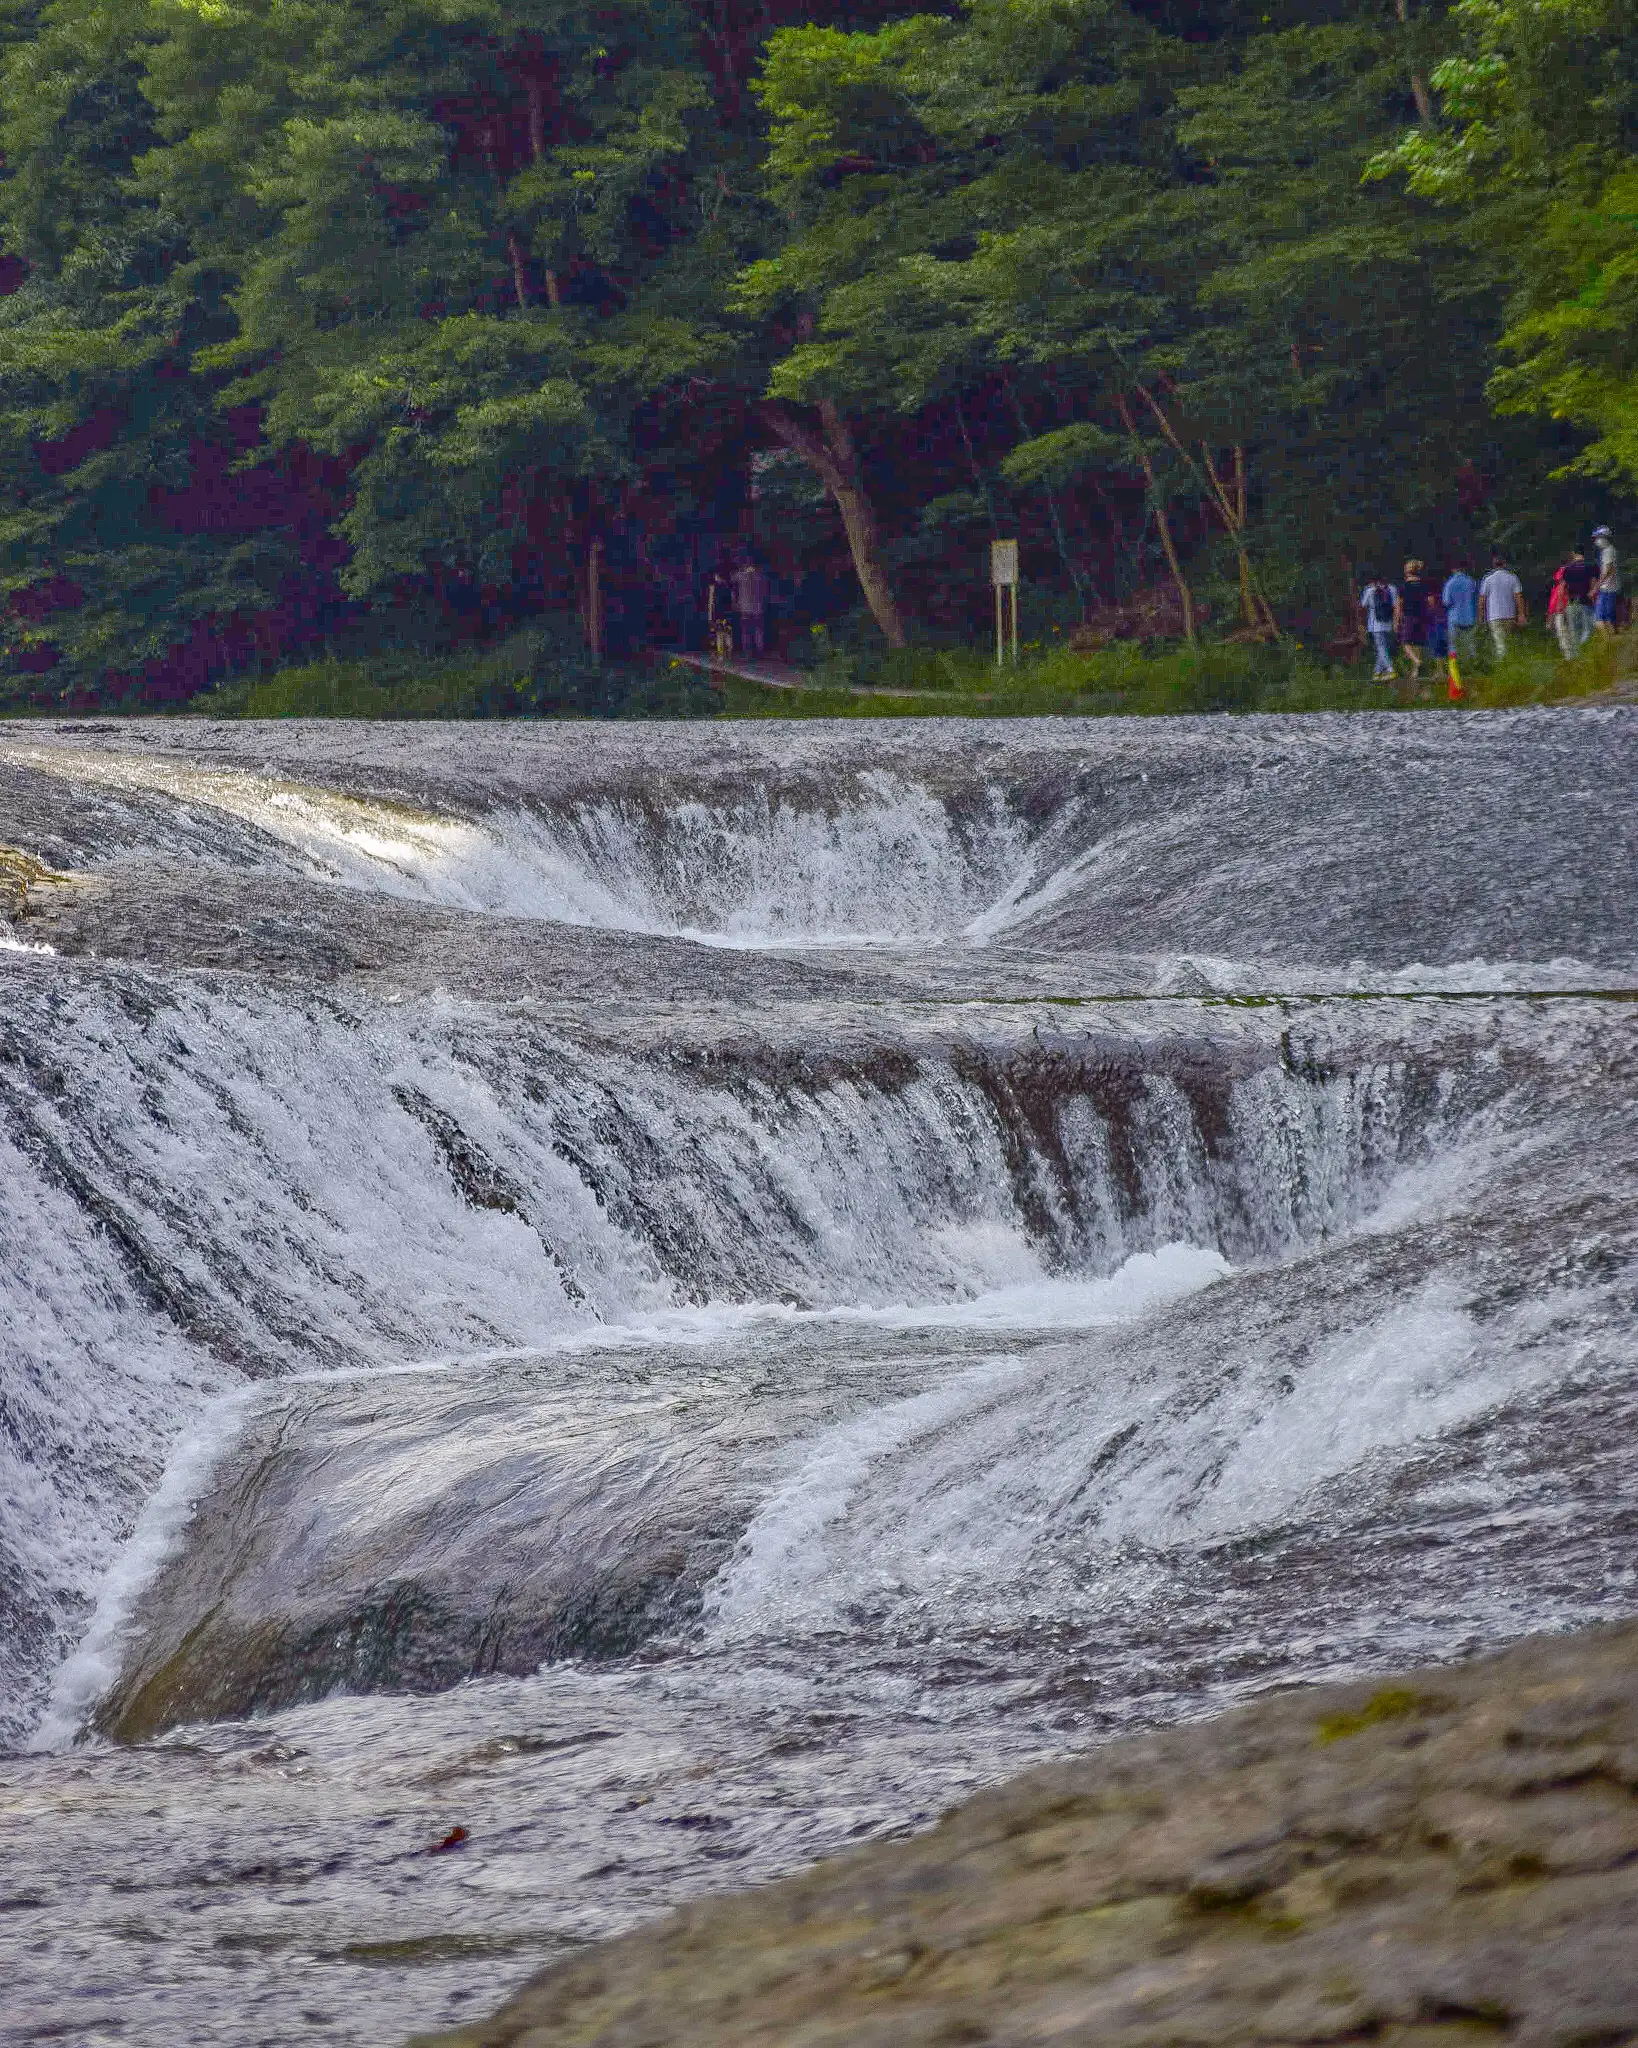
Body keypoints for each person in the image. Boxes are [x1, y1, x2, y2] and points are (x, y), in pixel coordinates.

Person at [1479, 550, 1526, 658]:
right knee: (1508, 640)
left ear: (1493, 565)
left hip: (1494, 616)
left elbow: (1482, 600)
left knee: (1499, 642)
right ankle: (1510, 661)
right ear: (1504, 564)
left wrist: (1481, 617)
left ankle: (1502, 663)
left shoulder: (1488, 579)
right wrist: (1521, 614)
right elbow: (1518, 597)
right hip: (1509, 615)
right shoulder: (1512, 578)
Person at [1395, 558, 1433, 685]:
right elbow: (1431, 601)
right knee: (1417, 644)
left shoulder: (1403, 586)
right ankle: (1415, 671)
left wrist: (1397, 620)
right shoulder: (1424, 585)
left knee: (1405, 642)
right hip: (1422, 616)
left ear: (1407, 571)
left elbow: (1399, 605)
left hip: (1409, 616)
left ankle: (1417, 662)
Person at [1553, 545, 1595, 659]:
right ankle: (1585, 651)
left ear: (1573, 553)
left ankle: (1578, 658)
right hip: (1586, 603)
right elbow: (1593, 584)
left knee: (1574, 632)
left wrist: (1560, 604)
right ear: (1584, 553)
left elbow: (1562, 587)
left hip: (1571, 604)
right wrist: (1593, 598)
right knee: (1588, 630)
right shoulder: (1590, 566)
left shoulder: (1567, 568)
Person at [1360, 573, 1397, 679]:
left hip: (1375, 624)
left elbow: (1363, 605)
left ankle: (1390, 670)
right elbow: (1395, 605)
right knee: (1383, 647)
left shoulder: (1370, 590)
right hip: (1388, 622)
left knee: (1381, 647)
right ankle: (1377, 672)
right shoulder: (1391, 588)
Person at [732, 553, 770, 659]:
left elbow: (733, 578)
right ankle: (759, 651)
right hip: (758, 607)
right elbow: (766, 589)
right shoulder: (761, 575)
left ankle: (748, 652)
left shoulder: (741, 575)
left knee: (746, 631)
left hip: (745, 607)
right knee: (758, 631)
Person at [1442, 559, 1478, 664]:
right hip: (1469, 616)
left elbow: (1446, 602)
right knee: (1470, 643)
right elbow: (1475, 598)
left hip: (1454, 617)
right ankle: (1473, 664)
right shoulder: (1471, 581)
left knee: (1453, 644)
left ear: (1453, 569)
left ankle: (1455, 667)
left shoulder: (1450, 583)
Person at [1592, 525, 1621, 636]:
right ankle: (1610, 640)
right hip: (1607, 588)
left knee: (1602, 619)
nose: (1596, 541)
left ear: (1604, 537)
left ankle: (1609, 641)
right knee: (1604, 618)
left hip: (1608, 588)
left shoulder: (1609, 551)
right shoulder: (1606, 551)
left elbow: (1609, 570)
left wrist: (1597, 586)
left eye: (1598, 538)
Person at [706, 564, 735, 658]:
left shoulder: (713, 587)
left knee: (719, 635)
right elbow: (733, 601)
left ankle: (721, 655)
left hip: (718, 614)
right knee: (728, 634)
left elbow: (711, 602)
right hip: (728, 614)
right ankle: (729, 654)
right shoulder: (729, 587)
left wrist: (710, 617)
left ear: (716, 575)